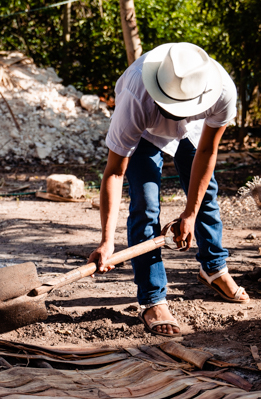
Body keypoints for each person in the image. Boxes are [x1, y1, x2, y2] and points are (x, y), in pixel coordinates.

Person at [88, 42, 249, 337]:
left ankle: (213, 268)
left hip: (195, 131)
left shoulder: (222, 91)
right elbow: (114, 172)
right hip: (146, 133)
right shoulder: (135, 98)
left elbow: (208, 152)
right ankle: (153, 299)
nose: (176, 114)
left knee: (205, 193)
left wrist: (190, 212)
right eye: (171, 107)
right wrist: (107, 241)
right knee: (145, 205)